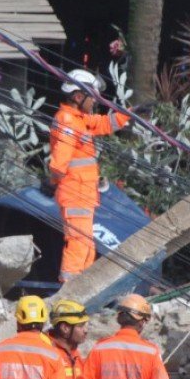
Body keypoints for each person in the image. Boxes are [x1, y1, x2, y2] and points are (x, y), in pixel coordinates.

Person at [45, 68, 129, 282]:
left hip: (81, 193)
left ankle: (79, 288)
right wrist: (54, 182)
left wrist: (129, 113)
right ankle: (70, 291)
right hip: (74, 193)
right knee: (78, 242)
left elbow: (103, 124)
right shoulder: (68, 121)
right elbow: (58, 163)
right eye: (92, 97)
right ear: (78, 96)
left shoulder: (78, 118)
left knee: (86, 244)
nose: (95, 102)